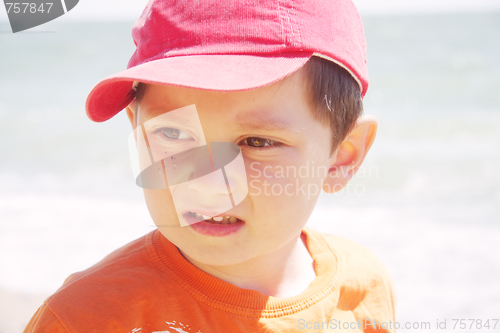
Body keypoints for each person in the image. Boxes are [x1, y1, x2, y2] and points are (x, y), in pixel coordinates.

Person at [24, 0, 396, 332]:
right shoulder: (86, 319)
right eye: (171, 132)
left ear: (343, 156)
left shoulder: (365, 291)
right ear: (135, 127)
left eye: (258, 142)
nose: (206, 181)